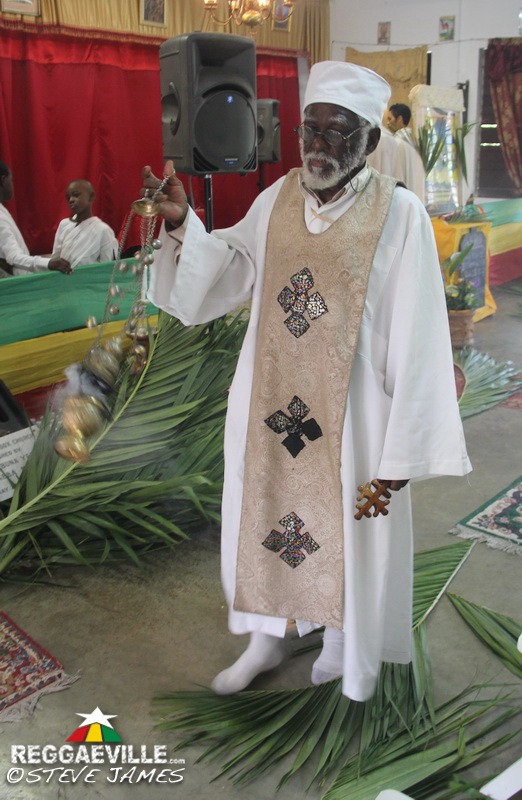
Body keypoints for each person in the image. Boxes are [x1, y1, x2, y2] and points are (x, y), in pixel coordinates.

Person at [143, 61, 471, 702]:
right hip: (269, 408)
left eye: (338, 133)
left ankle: (344, 647)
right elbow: (233, 268)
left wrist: (403, 449)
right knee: (263, 515)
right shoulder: (277, 199)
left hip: (354, 421)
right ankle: (266, 639)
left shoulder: (399, 214)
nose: (319, 146)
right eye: (310, 130)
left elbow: (421, 331)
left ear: (371, 143)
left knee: (351, 528)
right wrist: (185, 226)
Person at [0, 161, 72, 276]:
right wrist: (49, 263)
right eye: (11, 180)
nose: (12, 184)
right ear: (3, 180)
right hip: (16, 286)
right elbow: (13, 257)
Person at [52, 179, 118, 267]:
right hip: (63, 279)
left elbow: (107, 268)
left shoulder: (103, 230)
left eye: (76, 195)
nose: (71, 200)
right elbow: (55, 259)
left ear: (91, 196)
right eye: (68, 197)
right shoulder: (64, 225)